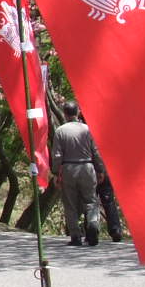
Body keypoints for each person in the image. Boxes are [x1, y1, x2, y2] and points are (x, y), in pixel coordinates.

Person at [51, 102, 104, 247]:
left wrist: (56, 173)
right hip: (87, 167)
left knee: (70, 204)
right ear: (78, 112)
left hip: (68, 168)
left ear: (65, 113)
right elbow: (96, 152)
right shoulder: (87, 129)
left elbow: (56, 155)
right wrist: (100, 170)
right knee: (91, 201)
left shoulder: (60, 131)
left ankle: (75, 236)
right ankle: (93, 223)